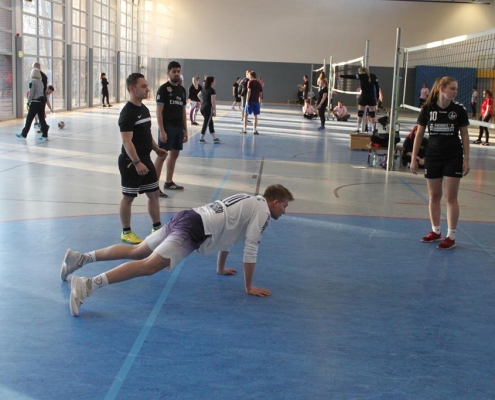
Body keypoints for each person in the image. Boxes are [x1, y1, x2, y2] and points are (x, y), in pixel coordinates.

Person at [61, 184, 294, 316]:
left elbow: (228, 234)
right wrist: (249, 287)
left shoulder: (250, 201)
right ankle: (88, 285)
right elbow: (251, 248)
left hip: (189, 216)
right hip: (194, 229)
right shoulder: (263, 212)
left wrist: (220, 268)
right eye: (284, 206)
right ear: (274, 202)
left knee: (138, 251)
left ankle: (80, 259)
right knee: (149, 266)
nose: (284, 211)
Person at [410, 76, 470, 250]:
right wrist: (414, 157)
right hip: (433, 156)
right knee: (434, 196)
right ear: (442, 89)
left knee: (451, 197)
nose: (456, 92)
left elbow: (465, 135)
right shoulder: (428, 108)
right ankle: (435, 231)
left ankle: (451, 236)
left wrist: (466, 159)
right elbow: (419, 134)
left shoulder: (459, 110)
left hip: (453, 156)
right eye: (453, 88)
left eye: (456, 89)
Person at [117, 73, 168, 244]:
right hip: (131, 162)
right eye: (143, 86)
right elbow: (127, 141)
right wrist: (137, 162)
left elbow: (147, 134)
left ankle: (157, 228)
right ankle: (126, 232)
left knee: (153, 194)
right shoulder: (127, 113)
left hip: (146, 159)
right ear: (132, 89)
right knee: (128, 197)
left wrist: (156, 149)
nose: (147, 89)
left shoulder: (144, 109)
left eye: (147, 85)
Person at [154, 61, 188, 195]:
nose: (176, 74)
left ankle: (168, 182)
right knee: (162, 155)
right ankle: (154, 187)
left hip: (178, 127)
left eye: (178, 71)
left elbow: (183, 112)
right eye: (174, 71)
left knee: (174, 154)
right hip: (167, 127)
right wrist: (162, 130)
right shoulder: (163, 89)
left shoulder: (182, 90)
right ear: (168, 73)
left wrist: (185, 130)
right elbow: (159, 111)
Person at [340, 67, 380, 133]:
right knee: (372, 114)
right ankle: (373, 129)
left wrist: (341, 76)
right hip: (371, 97)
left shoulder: (361, 75)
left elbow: (352, 77)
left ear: (361, 71)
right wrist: (377, 97)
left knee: (360, 114)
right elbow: (377, 87)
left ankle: (358, 128)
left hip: (363, 97)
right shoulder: (374, 76)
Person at [16, 68, 50, 142]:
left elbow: (31, 93)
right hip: (41, 102)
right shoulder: (41, 82)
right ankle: (45, 135)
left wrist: (28, 102)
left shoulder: (32, 82)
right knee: (42, 119)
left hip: (35, 102)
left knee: (29, 119)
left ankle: (23, 134)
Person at [197, 76, 220, 144]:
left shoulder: (204, 89)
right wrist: (214, 110)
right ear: (212, 82)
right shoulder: (212, 90)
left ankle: (214, 138)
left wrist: (202, 101)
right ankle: (201, 139)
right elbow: (213, 101)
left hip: (202, 107)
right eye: (214, 80)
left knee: (210, 122)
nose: (215, 82)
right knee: (206, 123)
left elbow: (198, 95)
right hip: (208, 108)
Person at [241, 70, 263, 135]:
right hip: (256, 102)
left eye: (249, 75)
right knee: (255, 115)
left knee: (246, 114)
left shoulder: (250, 82)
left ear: (251, 76)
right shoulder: (259, 83)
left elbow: (249, 92)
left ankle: (244, 129)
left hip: (250, 101)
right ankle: (254, 130)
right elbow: (260, 93)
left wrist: (247, 101)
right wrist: (260, 101)